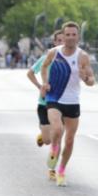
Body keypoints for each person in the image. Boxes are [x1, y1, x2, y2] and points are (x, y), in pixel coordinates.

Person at [40, 22, 95, 187]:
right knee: (57, 129)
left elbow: (92, 81)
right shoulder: (53, 53)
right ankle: (54, 148)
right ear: (62, 36)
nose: (70, 37)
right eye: (67, 35)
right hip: (54, 98)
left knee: (70, 140)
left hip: (72, 101)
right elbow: (44, 67)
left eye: (74, 34)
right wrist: (45, 82)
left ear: (78, 37)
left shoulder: (82, 56)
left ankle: (61, 171)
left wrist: (86, 78)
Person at [27, 31, 64, 178]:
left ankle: (52, 170)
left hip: (62, 104)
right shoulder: (45, 59)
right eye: (59, 40)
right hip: (44, 103)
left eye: (64, 40)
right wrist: (39, 86)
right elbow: (30, 73)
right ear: (54, 42)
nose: (62, 43)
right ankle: (43, 137)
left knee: (58, 137)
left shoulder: (71, 60)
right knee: (49, 140)